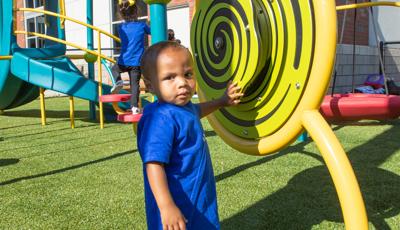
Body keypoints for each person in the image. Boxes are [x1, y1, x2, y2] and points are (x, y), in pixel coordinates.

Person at [137, 41, 243, 230]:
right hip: (177, 200)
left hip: (198, 196)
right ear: (150, 86)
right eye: (170, 77)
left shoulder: (184, 108)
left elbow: (197, 110)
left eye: (187, 74)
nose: (182, 83)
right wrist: (166, 205)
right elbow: (153, 165)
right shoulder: (160, 118)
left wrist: (222, 101)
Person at [110, 0, 150, 114]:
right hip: (137, 62)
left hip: (124, 60)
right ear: (136, 11)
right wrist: (149, 24)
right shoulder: (142, 26)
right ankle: (134, 107)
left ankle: (118, 81)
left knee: (114, 69)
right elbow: (152, 31)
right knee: (135, 85)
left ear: (122, 14)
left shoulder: (120, 27)